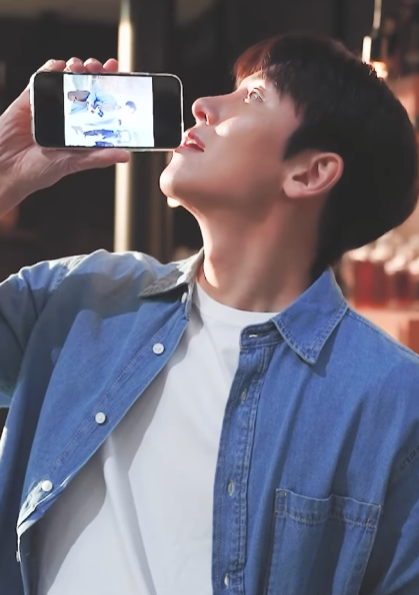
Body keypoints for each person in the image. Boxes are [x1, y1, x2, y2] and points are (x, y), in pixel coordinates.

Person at [0, 34, 418, 595]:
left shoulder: (393, 400)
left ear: (309, 174)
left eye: (253, 97)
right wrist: (4, 171)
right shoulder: (81, 296)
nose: (202, 106)